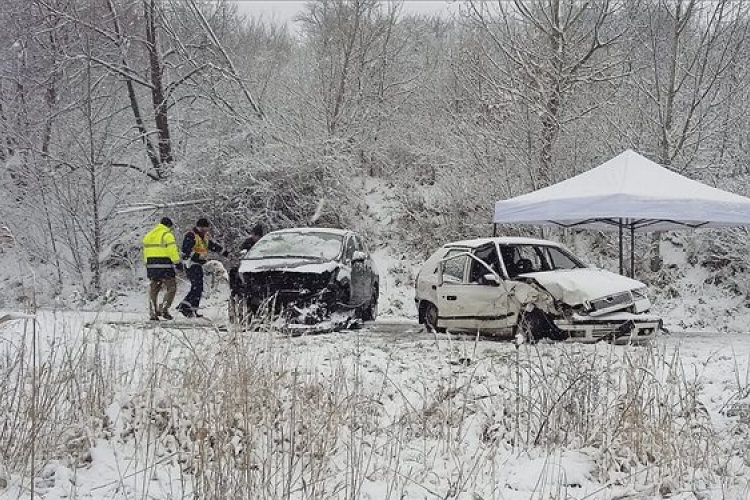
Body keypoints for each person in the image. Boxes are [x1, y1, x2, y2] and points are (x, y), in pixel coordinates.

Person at [176, 218, 229, 317]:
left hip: (199, 264)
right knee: (197, 286)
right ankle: (184, 307)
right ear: (199, 227)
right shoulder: (191, 235)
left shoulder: (203, 237)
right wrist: (197, 256)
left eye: (206, 229)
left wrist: (224, 252)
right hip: (191, 264)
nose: (205, 230)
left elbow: (212, 246)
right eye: (203, 228)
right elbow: (186, 249)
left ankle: (191, 309)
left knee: (198, 287)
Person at [142, 217, 181, 321]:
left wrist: (147, 264)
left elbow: (145, 252)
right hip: (165, 265)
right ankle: (164, 309)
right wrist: (177, 262)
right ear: (168, 225)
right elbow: (172, 250)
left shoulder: (148, 235)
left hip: (151, 266)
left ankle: (153, 312)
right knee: (171, 287)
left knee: (154, 289)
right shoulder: (167, 235)